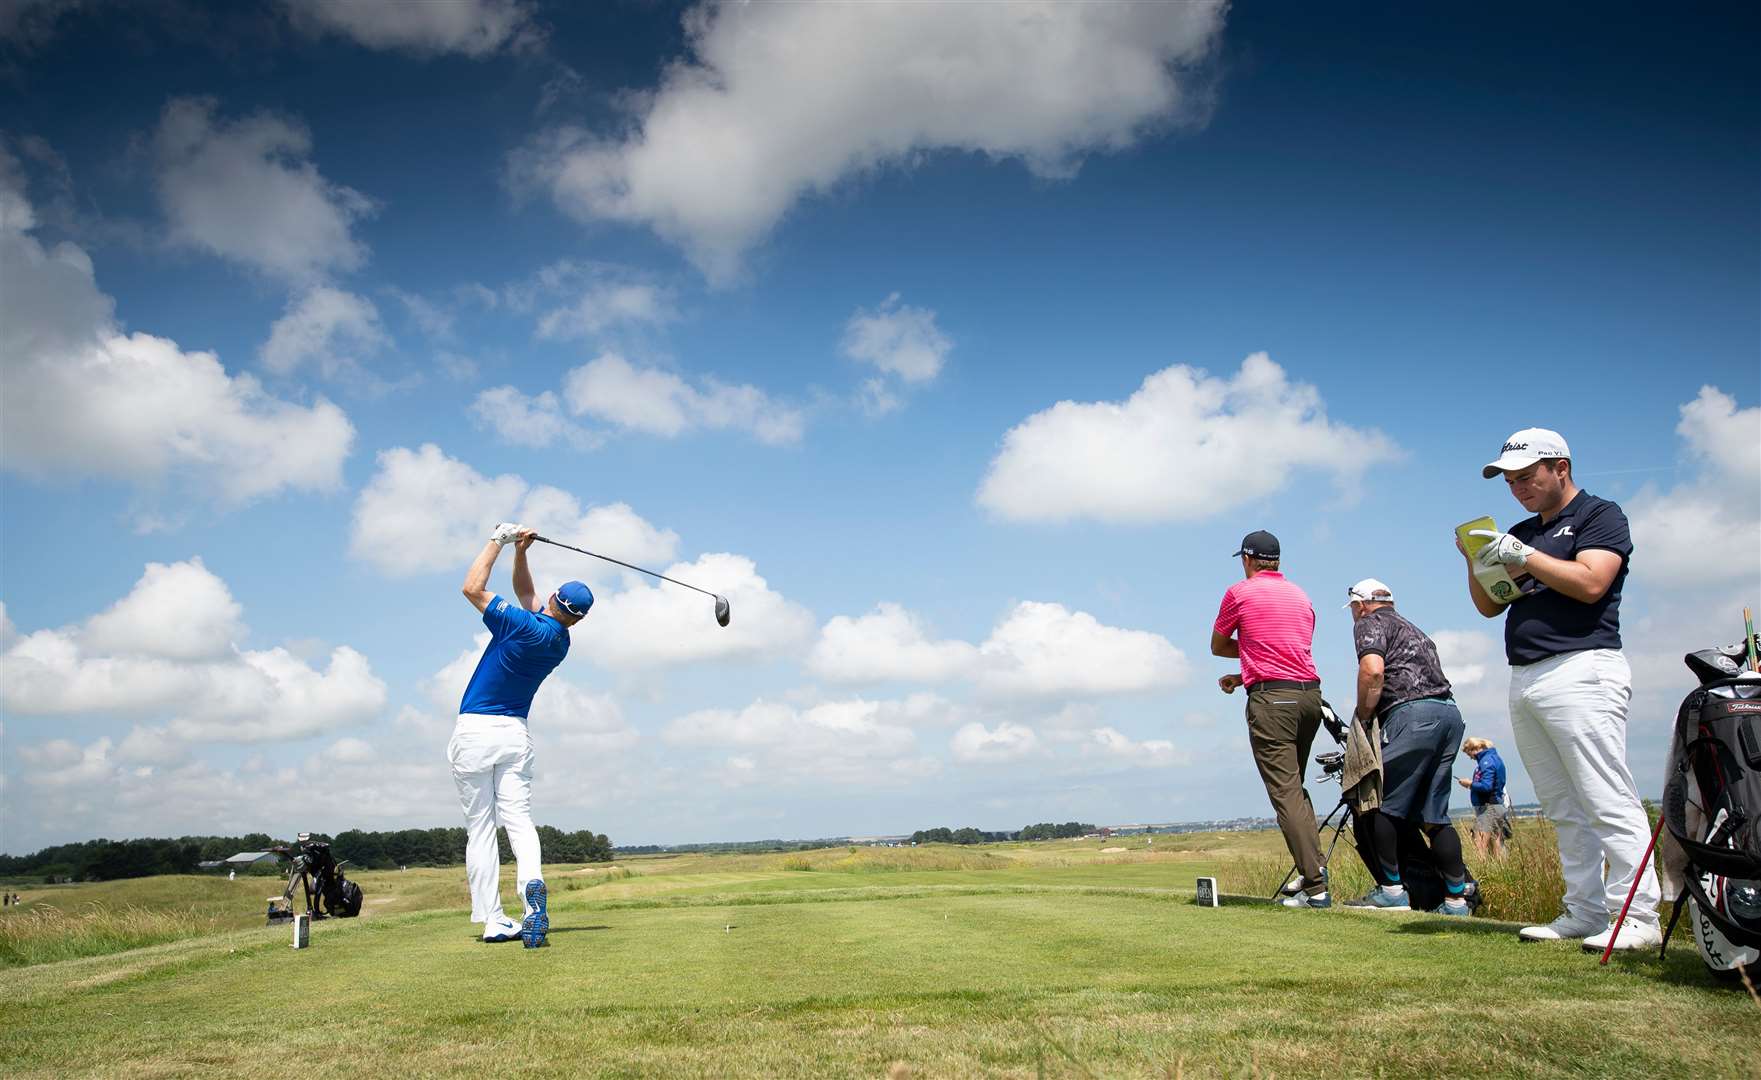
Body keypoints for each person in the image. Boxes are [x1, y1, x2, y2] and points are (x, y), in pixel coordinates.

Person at [1463, 428, 1661, 951]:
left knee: (1605, 795)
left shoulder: (1601, 515)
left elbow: (1592, 582)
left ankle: (1636, 915)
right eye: (1510, 481)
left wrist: (1524, 556)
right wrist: (1474, 558)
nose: (1518, 488)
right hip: (1526, 674)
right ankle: (1585, 910)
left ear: (1560, 468)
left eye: (1527, 477)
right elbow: (1490, 604)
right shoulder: (1522, 530)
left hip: (1584, 667)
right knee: (1562, 804)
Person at [452, 522, 593, 948]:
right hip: (515, 735)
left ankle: (494, 920)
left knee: (481, 828)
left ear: (554, 600)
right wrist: (521, 553)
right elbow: (526, 597)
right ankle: (532, 893)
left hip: (476, 729)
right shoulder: (559, 639)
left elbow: (472, 588)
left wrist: (498, 539)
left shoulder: (522, 625)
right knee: (518, 819)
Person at [1212, 530, 1331, 909]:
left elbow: (1218, 646)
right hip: (1310, 696)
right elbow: (1289, 649)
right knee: (1294, 788)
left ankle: (1316, 889)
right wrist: (1246, 671)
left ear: (1247, 559)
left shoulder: (1239, 592)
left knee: (1285, 792)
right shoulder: (1301, 595)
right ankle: (1312, 870)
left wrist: (1246, 658)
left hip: (1272, 702)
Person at [1338, 579, 1472, 916]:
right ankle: (1456, 902)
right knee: (1434, 815)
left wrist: (1364, 715)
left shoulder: (1370, 622)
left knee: (1383, 806)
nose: (1353, 615)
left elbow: (1372, 670)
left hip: (1411, 715)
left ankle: (1393, 892)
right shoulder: (1415, 630)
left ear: (1361, 604)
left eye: (1353, 609)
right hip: (1449, 713)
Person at [1458, 737, 1511, 858]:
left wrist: (1469, 784)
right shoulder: (1495, 759)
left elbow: (1487, 786)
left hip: (1488, 807)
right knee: (1496, 844)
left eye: (1469, 753)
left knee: (1480, 845)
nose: (1470, 757)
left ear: (1475, 749)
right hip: (1496, 805)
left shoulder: (1486, 761)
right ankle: (1501, 872)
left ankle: (1483, 873)